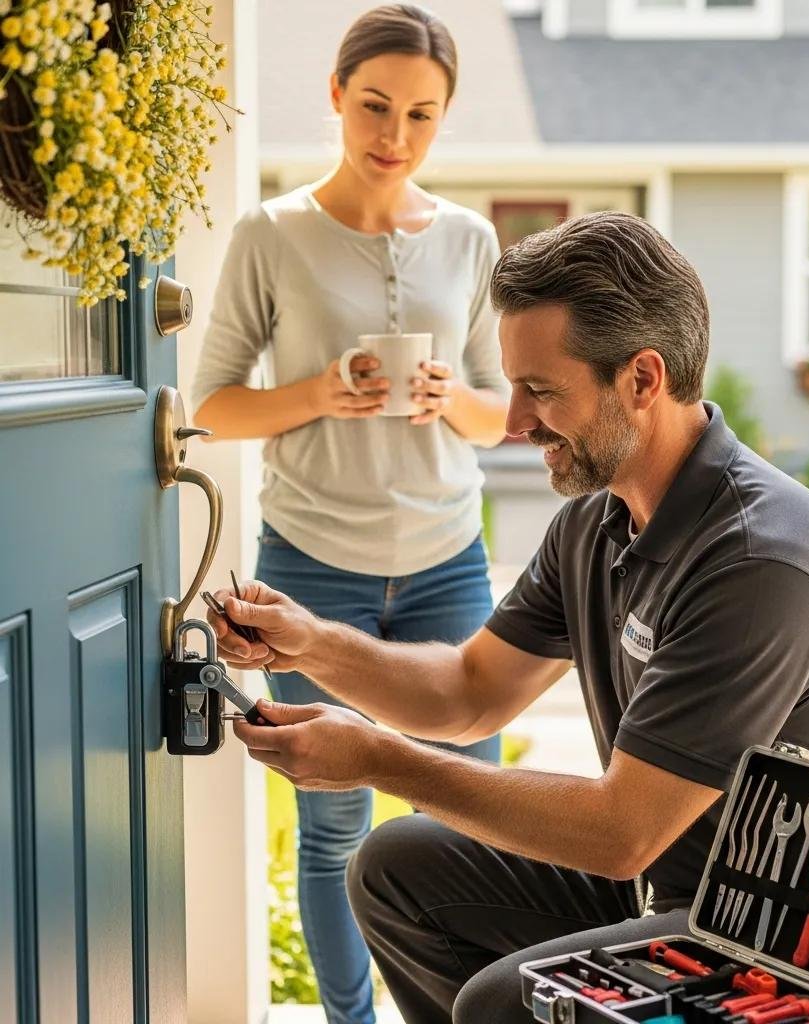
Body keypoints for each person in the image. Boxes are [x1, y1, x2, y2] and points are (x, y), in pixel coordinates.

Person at [208, 212, 809, 1024]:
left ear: (641, 379)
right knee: (396, 864)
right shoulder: (597, 523)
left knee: (503, 1002)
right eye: (514, 385)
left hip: (795, 938)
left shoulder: (757, 560)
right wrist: (313, 643)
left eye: (542, 390)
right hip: (674, 888)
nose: (513, 422)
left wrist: (378, 760)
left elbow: (622, 830)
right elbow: (468, 694)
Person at [190, 6, 509, 1022]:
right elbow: (212, 403)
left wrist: (445, 399)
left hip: (446, 564)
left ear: (442, 118)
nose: (394, 134)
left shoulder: (469, 238)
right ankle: (350, 1019)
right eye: (374, 106)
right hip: (310, 563)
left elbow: (500, 411)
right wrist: (321, 392)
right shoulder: (269, 233)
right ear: (335, 95)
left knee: (466, 817)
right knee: (333, 828)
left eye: (421, 114)